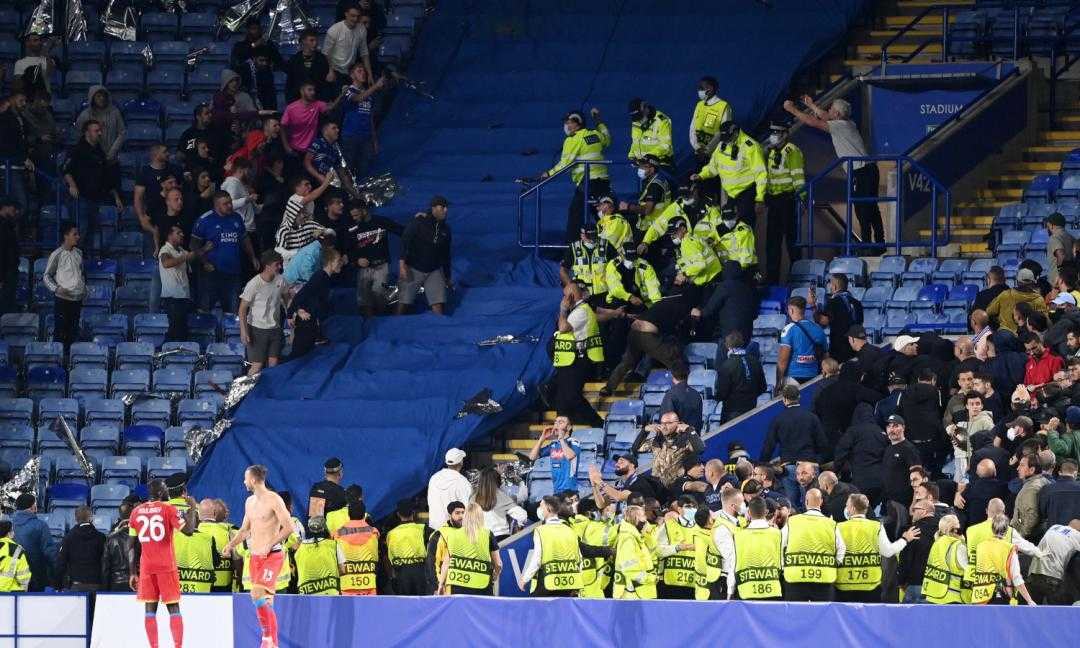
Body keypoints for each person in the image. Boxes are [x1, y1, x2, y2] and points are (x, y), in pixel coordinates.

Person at [783, 96, 882, 251]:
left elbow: (813, 122)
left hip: (860, 171)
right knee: (871, 206)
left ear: (836, 114)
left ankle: (867, 246)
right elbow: (824, 116)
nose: (827, 111)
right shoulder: (848, 123)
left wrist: (792, 110)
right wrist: (812, 105)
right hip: (869, 170)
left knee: (863, 209)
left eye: (831, 109)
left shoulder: (839, 126)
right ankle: (878, 243)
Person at [222, 466, 295, 645]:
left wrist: (270, 544)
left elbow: (289, 527)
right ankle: (273, 643)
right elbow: (245, 530)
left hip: (272, 555)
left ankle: (266, 638)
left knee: (256, 593)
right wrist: (231, 545)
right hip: (255, 558)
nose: (244, 482)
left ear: (253, 480)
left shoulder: (274, 499)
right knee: (264, 602)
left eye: (245, 478)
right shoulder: (249, 502)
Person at [128, 479, 197, 648]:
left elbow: (130, 545)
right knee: (174, 609)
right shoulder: (168, 509)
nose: (168, 491)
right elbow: (188, 531)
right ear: (160, 492)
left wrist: (132, 572)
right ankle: (178, 646)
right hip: (166, 566)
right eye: (166, 489)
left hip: (146, 567)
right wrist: (192, 508)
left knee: (149, 611)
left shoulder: (136, 512)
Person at [531, 109, 611, 243]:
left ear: (578, 123)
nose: (566, 126)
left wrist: (548, 174)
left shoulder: (573, 139)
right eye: (565, 123)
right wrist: (598, 120)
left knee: (575, 215)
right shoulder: (595, 134)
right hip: (603, 182)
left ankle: (571, 251)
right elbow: (607, 138)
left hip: (588, 184)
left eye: (569, 123)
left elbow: (565, 164)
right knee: (602, 215)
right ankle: (612, 245)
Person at [836, 493, 916, 602]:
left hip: (844, 585)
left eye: (847, 506)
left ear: (853, 508)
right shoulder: (876, 526)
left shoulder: (839, 527)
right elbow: (888, 552)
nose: (846, 508)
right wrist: (905, 540)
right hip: (870, 585)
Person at [191, 191, 260, 313]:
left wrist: (253, 257)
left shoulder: (237, 217)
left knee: (233, 311)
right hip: (212, 273)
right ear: (217, 206)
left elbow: (245, 239)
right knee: (205, 309)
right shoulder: (204, 220)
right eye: (225, 204)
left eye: (230, 203)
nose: (230, 206)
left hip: (234, 272)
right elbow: (193, 245)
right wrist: (204, 262)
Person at [550, 281, 607, 428]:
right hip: (567, 359)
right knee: (562, 399)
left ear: (570, 296)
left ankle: (598, 424)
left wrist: (563, 309)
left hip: (578, 360)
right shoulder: (576, 310)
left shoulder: (581, 311)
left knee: (572, 397)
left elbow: (563, 328)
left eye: (564, 296)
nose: (562, 299)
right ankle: (561, 432)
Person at [63, 119, 122, 249]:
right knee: (80, 232)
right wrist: (72, 185)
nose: (100, 133)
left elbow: (107, 177)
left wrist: (116, 197)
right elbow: (66, 170)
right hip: (80, 198)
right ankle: (71, 261)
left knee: (90, 233)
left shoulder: (99, 152)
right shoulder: (77, 150)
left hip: (94, 198)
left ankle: (85, 262)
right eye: (96, 131)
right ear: (86, 132)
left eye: (100, 131)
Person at [760, 385, 829, 493]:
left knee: (792, 506)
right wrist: (817, 462)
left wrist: (762, 464)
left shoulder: (778, 419)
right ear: (799, 397)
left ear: (784, 399)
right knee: (812, 503)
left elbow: (768, 446)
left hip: (788, 468)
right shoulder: (811, 417)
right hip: (809, 466)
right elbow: (823, 444)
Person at [780, 488, 844, 601]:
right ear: (821, 502)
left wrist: (783, 566)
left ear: (806, 501)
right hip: (824, 577)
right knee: (824, 616)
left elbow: (780, 544)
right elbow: (841, 548)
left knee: (796, 615)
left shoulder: (792, 521)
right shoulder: (831, 524)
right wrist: (834, 564)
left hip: (795, 577)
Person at [762, 121, 805, 284]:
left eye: (777, 133)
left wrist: (802, 198)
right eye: (772, 133)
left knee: (792, 242)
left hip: (788, 200)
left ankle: (797, 279)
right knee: (772, 243)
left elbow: (798, 176)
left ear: (785, 134)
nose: (773, 136)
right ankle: (772, 280)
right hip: (774, 202)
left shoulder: (792, 151)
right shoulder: (772, 152)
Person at [518, 497, 587, 596]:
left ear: (548, 508)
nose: (539, 509)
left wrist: (525, 579)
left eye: (541, 506)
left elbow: (537, 559)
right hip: (570, 584)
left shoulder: (541, 531)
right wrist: (578, 581)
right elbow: (579, 559)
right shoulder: (570, 530)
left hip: (548, 583)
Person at [287, 246, 347, 359]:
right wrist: (291, 313)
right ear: (330, 262)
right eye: (338, 261)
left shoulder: (326, 278)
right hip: (306, 320)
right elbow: (301, 294)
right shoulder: (319, 277)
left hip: (312, 320)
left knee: (306, 352)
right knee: (298, 354)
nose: (341, 263)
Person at [398, 196, 453, 315]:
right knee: (403, 302)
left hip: (434, 270)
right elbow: (405, 241)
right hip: (414, 267)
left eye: (446, 207)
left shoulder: (446, 230)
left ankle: (439, 328)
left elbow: (446, 254)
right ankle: (394, 324)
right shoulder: (418, 222)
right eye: (442, 207)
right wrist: (402, 265)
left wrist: (447, 277)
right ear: (434, 208)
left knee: (438, 304)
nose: (446, 210)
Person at [970, 514, 1038, 605]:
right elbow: (1016, 577)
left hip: (979, 597)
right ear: (1007, 530)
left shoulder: (981, 546)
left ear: (992, 529)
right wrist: (1029, 600)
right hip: (998, 596)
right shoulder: (1009, 549)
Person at [239, 250, 287, 375]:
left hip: (275, 328)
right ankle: (248, 392)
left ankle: (270, 391)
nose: (280, 267)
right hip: (257, 329)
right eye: (277, 264)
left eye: (280, 264)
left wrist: (291, 314)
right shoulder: (254, 284)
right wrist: (244, 331)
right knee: (257, 366)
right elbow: (242, 309)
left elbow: (287, 297)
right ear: (267, 266)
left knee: (274, 364)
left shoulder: (281, 280)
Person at [436, 502, 501, 595]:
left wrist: (441, 584)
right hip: (482, 584)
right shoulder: (487, 534)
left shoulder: (452, 535)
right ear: (481, 517)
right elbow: (498, 564)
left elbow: (446, 563)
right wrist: (496, 574)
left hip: (457, 584)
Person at [159, 225, 210, 343]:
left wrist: (204, 250)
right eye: (178, 233)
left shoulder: (181, 250)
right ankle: (166, 354)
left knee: (182, 329)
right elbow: (166, 263)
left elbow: (191, 256)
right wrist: (185, 257)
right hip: (172, 298)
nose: (182, 235)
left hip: (182, 296)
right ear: (169, 235)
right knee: (175, 329)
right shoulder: (165, 250)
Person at [42, 222, 85, 351]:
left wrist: (83, 289)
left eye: (78, 234)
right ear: (66, 236)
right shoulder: (57, 254)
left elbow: (81, 273)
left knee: (73, 332)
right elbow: (46, 276)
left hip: (77, 300)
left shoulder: (79, 253)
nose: (78, 237)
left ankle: (70, 363)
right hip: (62, 300)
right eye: (75, 234)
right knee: (60, 331)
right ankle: (57, 360)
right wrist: (56, 289)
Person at [632, 412, 705, 488]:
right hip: (656, 487)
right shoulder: (656, 441)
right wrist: (644, 431)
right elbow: (635, 448)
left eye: (668, 423)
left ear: (678, 423)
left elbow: (700, 449)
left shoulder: (686, 440)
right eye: (662, 423)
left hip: (676, 487)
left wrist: (689, 429)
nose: (663, 426)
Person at [340, 62, 386, 178]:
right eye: (359, 71)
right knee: (348, 168)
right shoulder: (348, 90)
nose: (363, 73)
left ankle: (361, 193)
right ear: (352, 75)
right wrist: (375, 87)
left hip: (366, 137)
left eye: (364, 71)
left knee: (364, 168)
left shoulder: (369, 95)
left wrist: (374, 139)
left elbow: (370, 118)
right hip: (350, 136)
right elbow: (357, 99)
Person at [713, 331, 768, 423]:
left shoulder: (726, 366)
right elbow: (763, 387)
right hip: (752, 408)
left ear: (727, 346)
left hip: (732, 412)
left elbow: (722, 393)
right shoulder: (755, 362)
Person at [280, 83, 344, 159]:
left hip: (311, 149)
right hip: (295, 148)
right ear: (302, 91)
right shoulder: (291, 108)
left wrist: (342, 94)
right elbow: (282, 127)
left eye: (313, 90)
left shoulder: (317, 104)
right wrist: (286, 147)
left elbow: (331, 107)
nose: (313, 92)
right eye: (309, 90)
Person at [776, 296, 828, 389]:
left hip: (793, 378)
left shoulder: (788, 329)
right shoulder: (818, 328)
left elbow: (783, 360)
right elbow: (825, 355)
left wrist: (778, 383)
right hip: (814, 376)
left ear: (791, 310)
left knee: (792, 403)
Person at [333, 497, 380, 595]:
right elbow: (375, 558)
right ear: (364, 515)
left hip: (346, 585)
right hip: (369, 585)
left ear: (349, 514)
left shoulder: (337, 534)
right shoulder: (374, 532)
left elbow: (336, 561)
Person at [1027, 520, 1080, 605]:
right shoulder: (1077, 535)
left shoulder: (1054, 527)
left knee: (1032, 611)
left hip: (1033, 575)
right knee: (1057, 613)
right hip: (1053, 578)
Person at [11, 494, 57, 592]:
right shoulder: (40, 526)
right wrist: (58, 574)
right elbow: (50, 552)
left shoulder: (7, 525)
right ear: (33, 507)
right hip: (35, 578)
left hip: (10, 578)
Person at [385, 500, 432, 595]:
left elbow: (388, 556)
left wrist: (392, 575)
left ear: (398, 514)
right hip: (420, 571)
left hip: (401, 573)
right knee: (421, 602)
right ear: (413, 513)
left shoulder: (391, 534)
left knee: (405, 603)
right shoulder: (423, 528)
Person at [55, 505, 106, 591]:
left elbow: (61, 563)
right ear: (91, 518)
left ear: (75, 519)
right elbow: (105, 561)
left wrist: (57, 585)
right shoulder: (101, 537)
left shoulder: (68, 537)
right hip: (96, 584)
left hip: (76, 585)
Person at [323, 7, 374, 92]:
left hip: (351, 71)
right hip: (336, 70)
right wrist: (330, 71)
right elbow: (325, 53)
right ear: (346, 14)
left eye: (358, 16)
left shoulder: (362, 29)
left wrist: (369, 74)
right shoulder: (334, 30)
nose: (355, 19)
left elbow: (364, 53)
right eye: (353, 16)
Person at [527, 416, 582, 496]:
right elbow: (532, 457)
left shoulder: (574, 442)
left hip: (570, 491)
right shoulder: (554, 444)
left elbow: (570, 456)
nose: (556, 425)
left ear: (569, 427)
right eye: (555, 422)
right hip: (556, 490)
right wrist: (542, 439)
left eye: (561, 422)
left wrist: (561, 439)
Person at [613, 505, 656, 599]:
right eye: (643, 516)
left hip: (640, 592)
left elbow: (654, 549)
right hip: (632, 593)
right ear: (636, 518)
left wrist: (647, 534)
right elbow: (629, 568)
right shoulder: (628, 538)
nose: (646, 518)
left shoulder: (638, 536)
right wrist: (650, 578)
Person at [987, 268, 1049, 334]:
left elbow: (989, 311)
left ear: (1017, 282)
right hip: (1029, 339)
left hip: (1005, 337)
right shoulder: (1038, 299)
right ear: (1033, 283)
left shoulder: (1005, 295)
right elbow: (1044, 322)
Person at [74, 85, 125, 161]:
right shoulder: (85, 115)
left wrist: (113, 151)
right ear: (92, 98)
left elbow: (122, 133)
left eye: (104, 96)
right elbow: (79, 134)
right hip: (90, 159)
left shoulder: (115, 112)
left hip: (112, 157)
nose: (102, 98)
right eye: (98, 96)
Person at [427, 449, 473, 530]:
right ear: (461, 462)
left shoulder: (434, 478)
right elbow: (467, 510)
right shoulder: (463, 482)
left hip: (434, 530)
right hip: (453, 533)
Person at [881, 414, 920, 507]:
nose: (891, 430)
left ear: (903, 428)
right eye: (889, 426)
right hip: (889, 502)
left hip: (904, 503)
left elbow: (918, 479)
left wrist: (914, 503)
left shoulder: (909, 449)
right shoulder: (888, 449)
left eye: (895, 426)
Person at [285, 28, 332, 103]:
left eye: (316, 40)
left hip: (318, 100)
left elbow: (325, 84)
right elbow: (290, 83)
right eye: (312, 40)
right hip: (298, 100)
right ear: (304, 41)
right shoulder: (294, 60)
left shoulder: (322, 59)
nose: (315, 43)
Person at [1012, 452, 1052, 539]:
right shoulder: (1044, 481)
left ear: (1032, 470)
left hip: (1029, 538)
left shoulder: (1031, 488)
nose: (1018, 468)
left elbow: (1032, 517)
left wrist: (1019, 538)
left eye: (1022, 465)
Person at [627, 98, 673, 166]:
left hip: (661, 164)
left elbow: (666, 146)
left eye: (640, 117)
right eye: (636, 118)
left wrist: (649, 156)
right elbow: (636, 141)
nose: (639, 120)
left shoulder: (661, 121)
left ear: (646, 109)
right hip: (644, 165)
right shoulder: (636, 121)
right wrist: (632, 156)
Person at [659, 367, 704, 433]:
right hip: (694, 438)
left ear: (673, 376)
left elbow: (666, 425)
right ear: (688, 375)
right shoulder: (697, 395)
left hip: (677, 439)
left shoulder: (670, 395)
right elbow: (698, 423)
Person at [1040, 459, 1080, 527]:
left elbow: (1042, 513)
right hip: (1075, 535)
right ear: (1075, 473)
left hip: (1053, 534)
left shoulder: (1047, 489)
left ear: (1059, 473)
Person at [1045, 212, 1075, 285]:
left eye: (1047, 226)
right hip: (1071, 281)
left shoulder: (1054, 238)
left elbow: (1061, 255)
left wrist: (1060, 277)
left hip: (1058, 283)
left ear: (1051, 225)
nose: (1047, 229)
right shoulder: (1071, 238)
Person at [0, 520, 30, 592]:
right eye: (12, 530)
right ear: (8, 533)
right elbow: (24, 578)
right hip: (12, 595)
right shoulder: (17, 550)